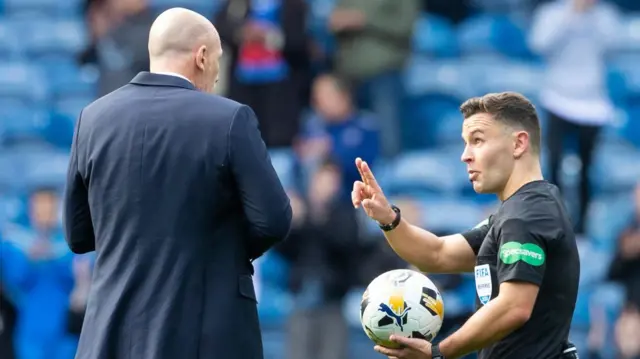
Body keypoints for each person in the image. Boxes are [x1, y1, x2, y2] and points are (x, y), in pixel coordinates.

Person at [63, 7, 292, 359]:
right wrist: (218, 249)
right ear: (201, 56)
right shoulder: (229, 119)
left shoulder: (92, 120)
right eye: (217, 60)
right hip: (206, 332)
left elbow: (78, 235)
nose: (217, 76)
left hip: (111, 333)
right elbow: (273, 219)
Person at [351, 92, 580, 359]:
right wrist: (388, 218)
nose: (465, 156)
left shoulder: (526, 215)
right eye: (465, 143)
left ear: (518, 144)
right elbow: (437, 254)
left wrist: (439, 353)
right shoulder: (518, 213)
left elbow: (514, 306)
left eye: (477, 141)